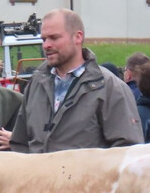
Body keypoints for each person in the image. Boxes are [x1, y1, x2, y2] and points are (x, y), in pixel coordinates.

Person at [10, 9, 142, 153]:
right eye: (44, 39)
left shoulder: (110, 88)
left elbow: (128, 152)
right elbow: (20, 144)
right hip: (38, 175)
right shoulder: (36, 84)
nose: (46, 45)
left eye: (54, 38)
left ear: (77, 37)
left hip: (88, 175)